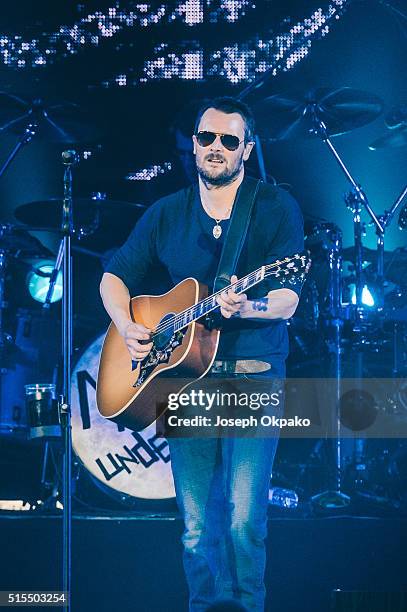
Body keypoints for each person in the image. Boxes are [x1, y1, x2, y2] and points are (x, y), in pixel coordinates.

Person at [99, 97, 304, 611]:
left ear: (247, 150)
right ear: (193, 144)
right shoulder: (166, 212)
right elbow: (113, 276)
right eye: (206, 137)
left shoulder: (274, 206)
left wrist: (248, 304)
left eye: (229, 141)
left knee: (241, 519)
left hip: (254, 375)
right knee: (194, 526)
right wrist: (127, 325)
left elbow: (288, 297)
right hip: (186, 383)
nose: (216, 147)